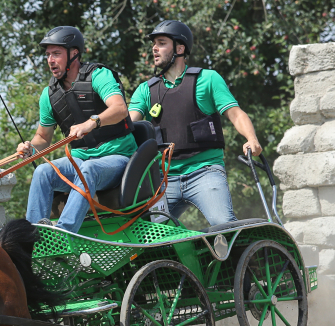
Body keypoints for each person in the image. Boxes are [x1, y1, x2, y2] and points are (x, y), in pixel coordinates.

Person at [128, 20, 263, 226]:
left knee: (222, 223)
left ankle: (246, 256)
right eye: (154, 44)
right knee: (147, 234)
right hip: (165, 180)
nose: (154, 48)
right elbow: (127, 126)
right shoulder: (146, 90)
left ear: (180, 48)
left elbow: (235, 114)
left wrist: (252, 139)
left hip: (205, 171)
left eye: (162, 43)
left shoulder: (207, 79)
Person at [20, 26, 137, 233]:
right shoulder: (49, 95)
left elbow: (119, 109)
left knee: (88, 170)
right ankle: (32, 238)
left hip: (117, 157)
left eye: (56, 54)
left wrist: (91, 122)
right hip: (80, 159)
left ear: (74, 54)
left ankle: (63, 234)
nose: (50, 60)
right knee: (42, 171)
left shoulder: (99, 76)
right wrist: (30, 147)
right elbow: (42, 137)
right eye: (48, 55)